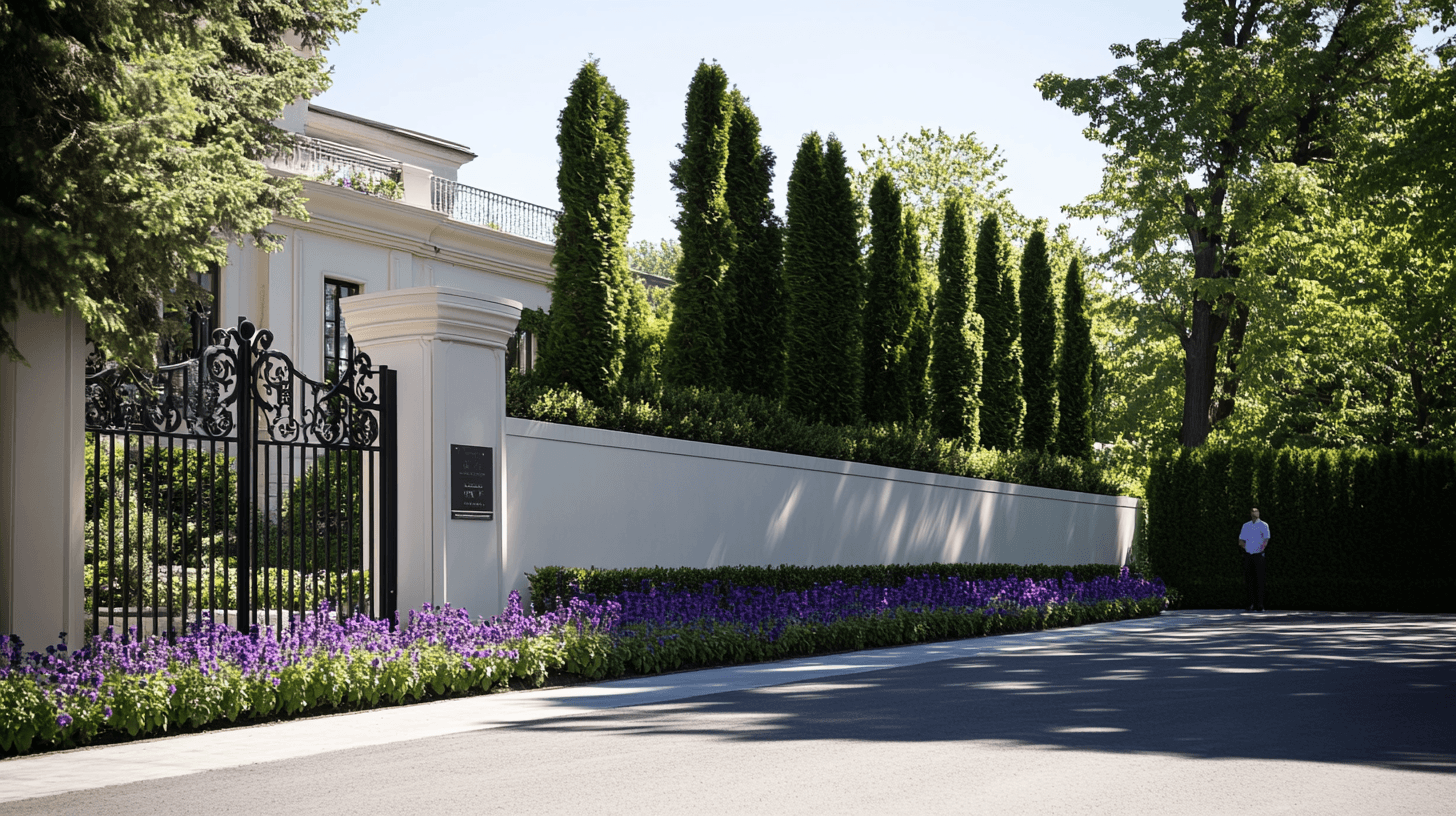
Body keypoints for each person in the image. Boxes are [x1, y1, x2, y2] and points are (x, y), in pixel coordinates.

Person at [1238, 507, 1271, 612]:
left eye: (1256, 511)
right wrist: (1246, 548)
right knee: (1249, 580)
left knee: (1260, 580)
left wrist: (1261, 549)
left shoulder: (1263, 525)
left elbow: (1266, 539)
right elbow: (1241, 540)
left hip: (1259, 555)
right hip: (1249, 554)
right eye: (1253, 511)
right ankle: (1251, 603)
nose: (1254, 513)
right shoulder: (1246, 525)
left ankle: (1260, 604)